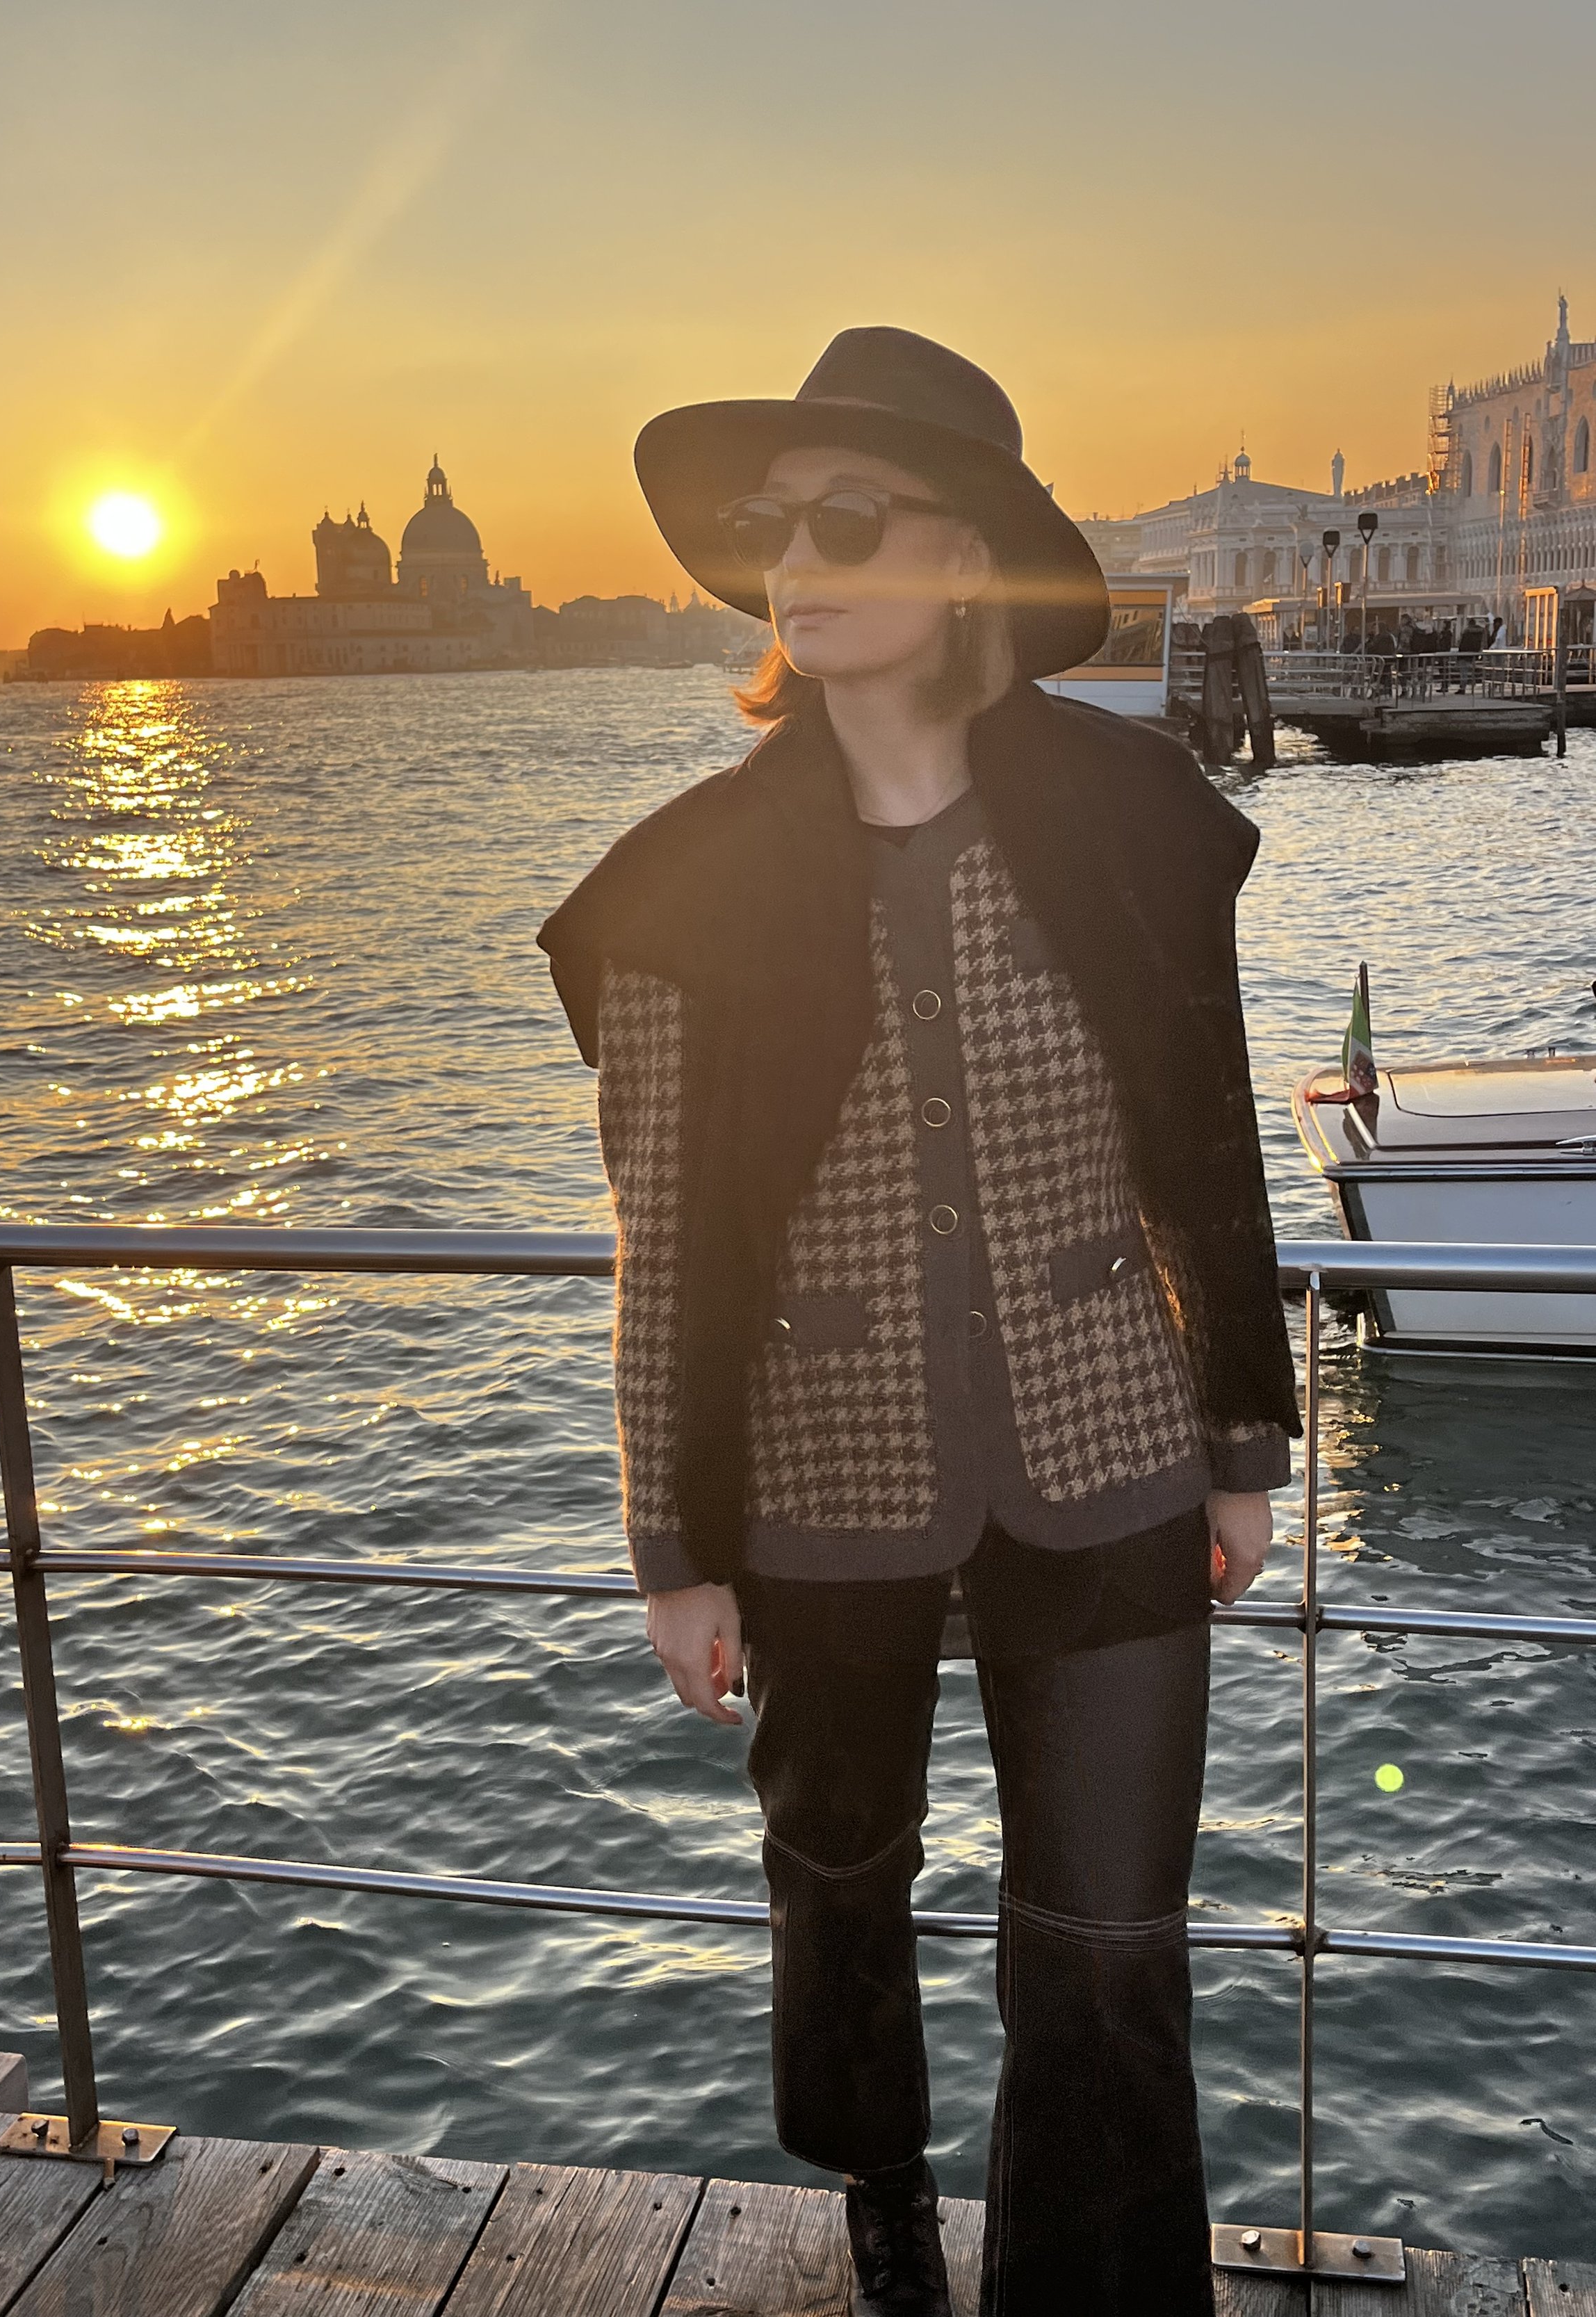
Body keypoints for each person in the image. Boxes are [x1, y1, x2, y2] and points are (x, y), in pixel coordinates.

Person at [539, 327, 1300, 2317]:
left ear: (967, 560)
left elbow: (1207, 1144)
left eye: (849, 515)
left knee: (1110, 1945)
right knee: (840, 1889)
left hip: (1113, 1446)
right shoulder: (680, 890)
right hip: (812, 1484)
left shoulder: (1135, 818)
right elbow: (668, 1237)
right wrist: (668, 1552)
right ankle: (880, 2198)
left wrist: (1241, 1437)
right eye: (765, 525)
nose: (795, 556)